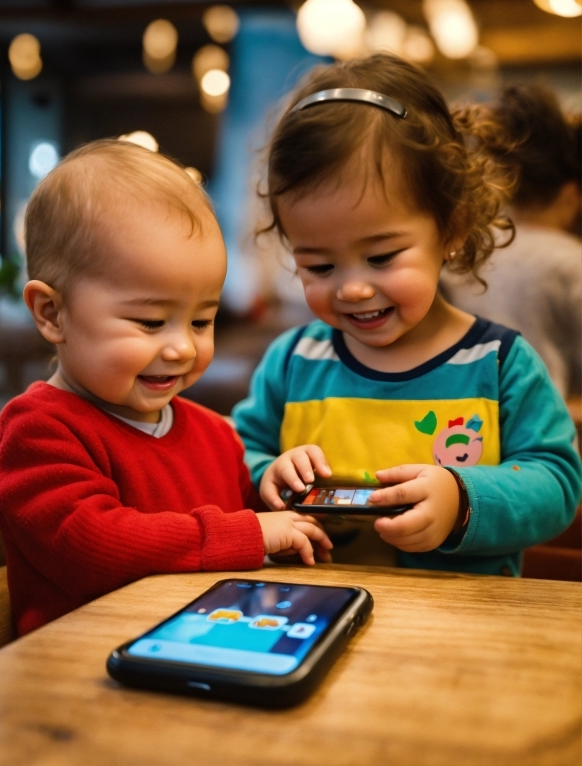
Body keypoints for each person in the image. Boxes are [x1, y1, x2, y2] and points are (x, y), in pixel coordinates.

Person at [233, 54, 581, 576]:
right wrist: (266, 471)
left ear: (452, 228)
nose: (351, 287)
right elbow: (236, 452)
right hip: (313, 609)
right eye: (319, 264)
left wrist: (462, 499)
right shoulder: (293, 361)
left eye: (381, 257)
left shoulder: (501, 363)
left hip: (458, 626)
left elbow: (556, 481)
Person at [0, 140, 332, 636]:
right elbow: (95, 546)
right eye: (150, 322)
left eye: (201, 321)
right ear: (51, 313)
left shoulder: (215, 434)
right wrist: (248, 531)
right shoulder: (37, 432)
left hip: (206, 645)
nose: (182, 349)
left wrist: (271, 489)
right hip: (83, 668)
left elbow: (248, 531)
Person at [443, 85, 581, 399]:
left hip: (457, 422)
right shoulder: (570, 260)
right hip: (537, 426)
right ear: (572, 194)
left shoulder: (463, 247)